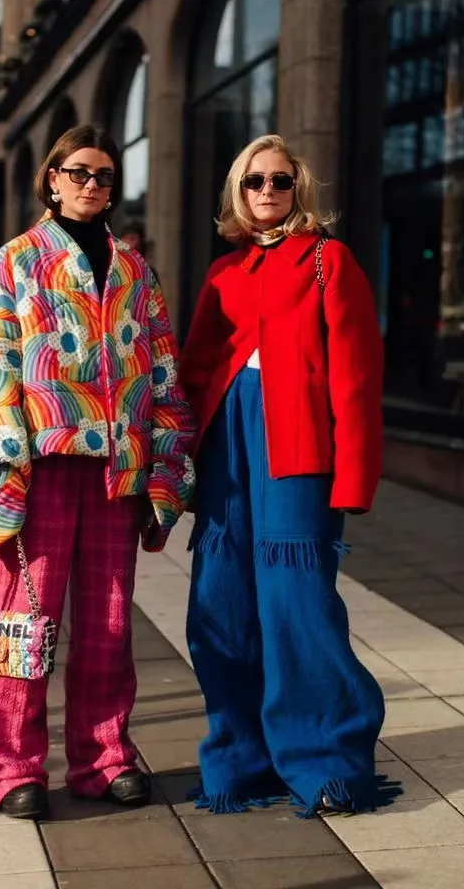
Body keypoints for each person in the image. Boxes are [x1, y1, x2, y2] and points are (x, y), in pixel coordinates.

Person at [0, 124, 196, 822]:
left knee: (109, 627)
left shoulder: (136, 272)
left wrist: (166, 472)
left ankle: (105, 757)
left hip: (118, 474)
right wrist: (3, 469)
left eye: (105, 177)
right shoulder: (17, 262)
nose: (93, 185)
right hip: (42, 471)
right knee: (18, 624)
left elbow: (164, 372)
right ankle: (12, 769)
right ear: (52, 178)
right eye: (80, 172)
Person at [179, 134, 386, 818]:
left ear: (298, 189)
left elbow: (356, 378)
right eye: (254, 182)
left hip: (297, 450)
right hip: (226, 454)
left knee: (295, 603)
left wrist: (354, 478)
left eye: (280, 180)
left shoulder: (329, 260)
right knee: (220, 605)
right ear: (237, 192)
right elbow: (195, 371)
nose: (267, 191)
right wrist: (172, 465)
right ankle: (240, 760)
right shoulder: (223, 273)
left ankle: (327, 761)